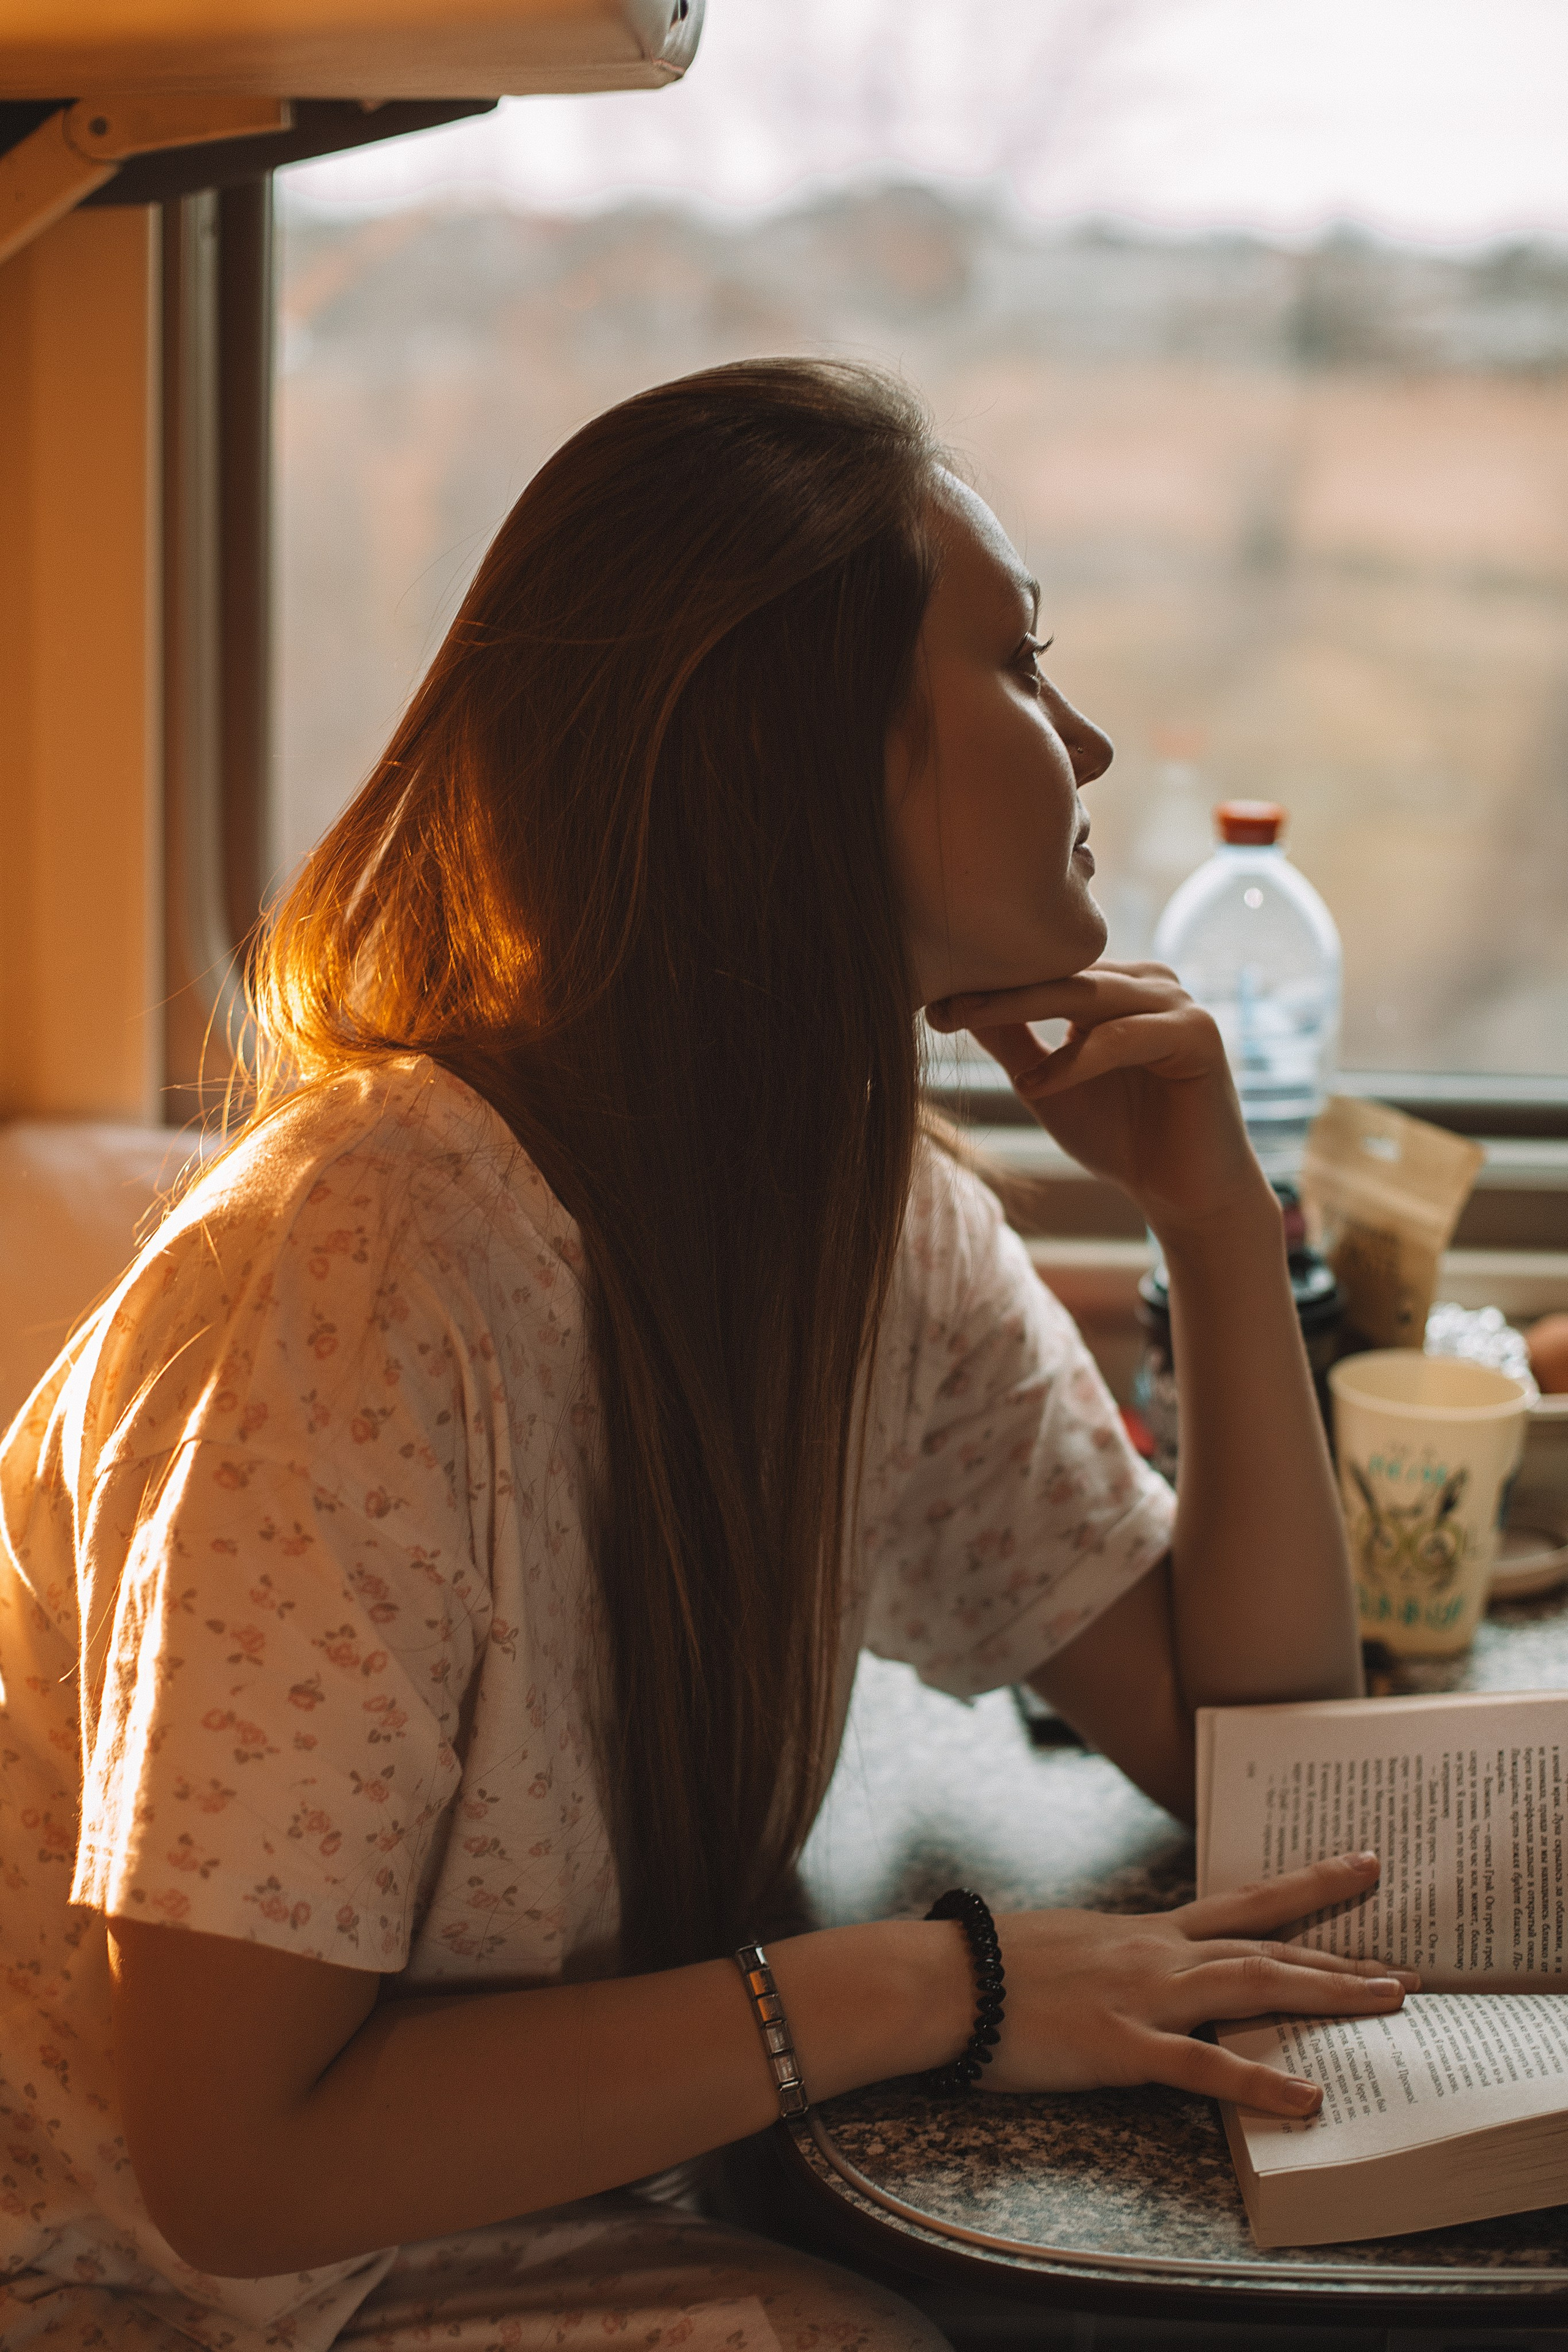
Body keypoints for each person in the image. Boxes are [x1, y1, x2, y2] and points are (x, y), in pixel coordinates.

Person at [0, 360, 1409, 2352]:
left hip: (479, 2236)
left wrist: (1213, 1220)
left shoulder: (871, 1219)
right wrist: (957, 1982)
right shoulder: (350, 1287)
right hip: (147, 2296)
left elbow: (1255, 1749)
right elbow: (239, 2167)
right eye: (1020, 665)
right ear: (795, 757)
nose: (1086, 744)